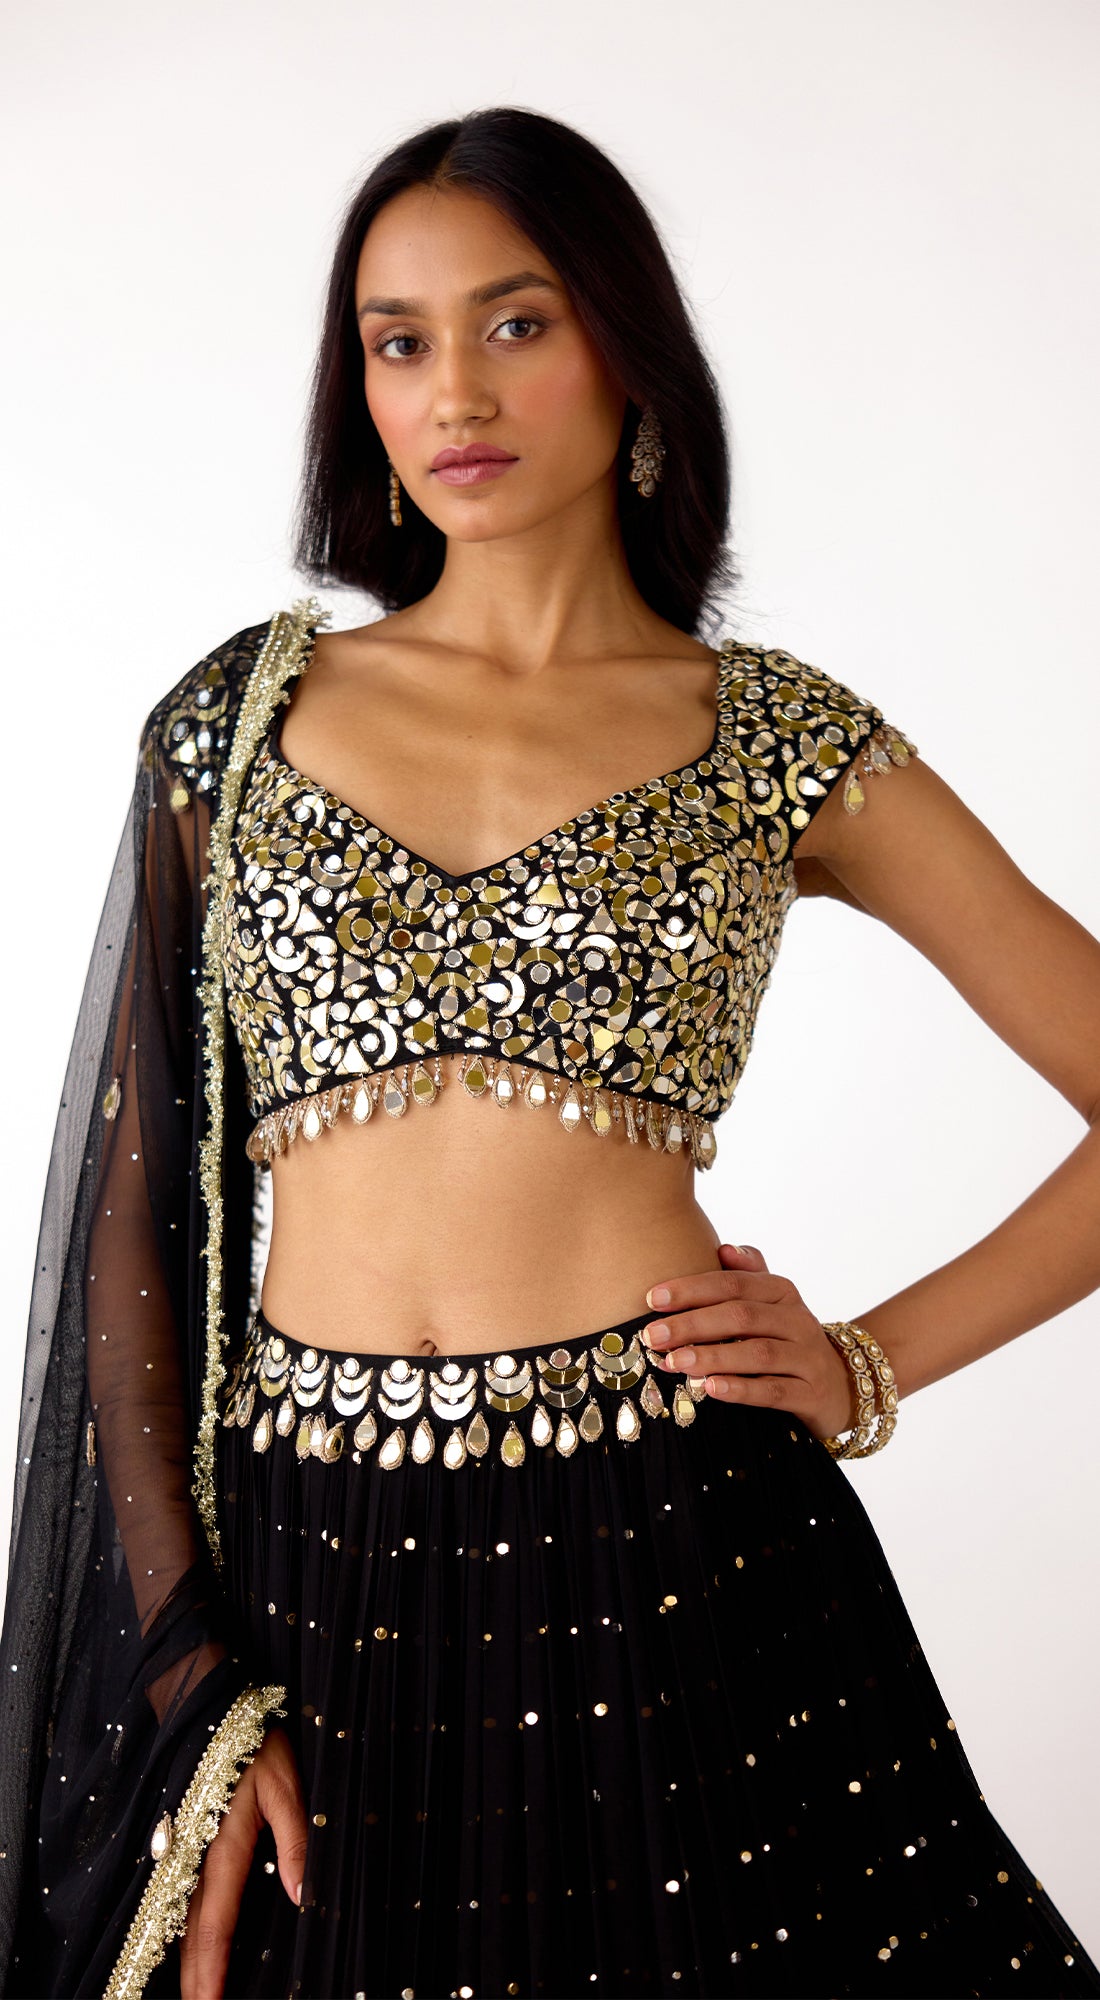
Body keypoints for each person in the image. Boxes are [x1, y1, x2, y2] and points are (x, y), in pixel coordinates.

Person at [0, 105, 1097, 2000]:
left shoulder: (773, 738)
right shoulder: (235, 723)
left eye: (517, 322)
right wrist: (187, 1672)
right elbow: (125, 1239)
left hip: (672, 1530)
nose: (455, 391)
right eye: (398, 340)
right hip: (306, 1562)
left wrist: (867, 1361)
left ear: (629, 349)